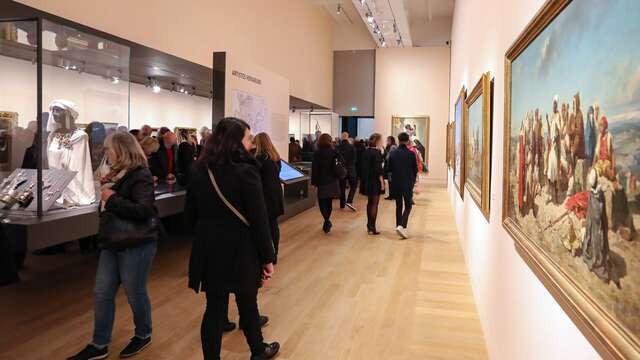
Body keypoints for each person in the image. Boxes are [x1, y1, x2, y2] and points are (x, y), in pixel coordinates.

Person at [185, 117, 279, 360]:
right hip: (241, 250)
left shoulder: (198, 170)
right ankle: (258, 351)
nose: (251, 143)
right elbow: (259, 220)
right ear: (236, 141)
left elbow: (190, 215)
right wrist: (268, 257)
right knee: (247, 303)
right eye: (248, 138)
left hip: (210, 249)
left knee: (214, 309)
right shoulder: (246, 172)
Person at [68, 132, 159, 360]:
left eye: (108, 148)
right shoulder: (117, 174)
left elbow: (143, 210)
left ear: (121, 149)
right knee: (101, 292)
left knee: (134, 291)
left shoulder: (141, 174)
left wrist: (111, 197)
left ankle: (143, 333)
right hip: (112, 241)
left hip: (135, 242)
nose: (105, 152)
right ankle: (99, 344)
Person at [253, 133, 285, 264]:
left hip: (263, 196)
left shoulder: (258, 159)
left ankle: (266, 254)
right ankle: (275, 252)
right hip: (275, 195)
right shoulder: (275, 158)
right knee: (273, 224)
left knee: (264, 225)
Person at [387, 132, 418, 239]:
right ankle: (401, 226)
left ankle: (398, 225)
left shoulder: (393, 153)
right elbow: (415, 170)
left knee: (399, 205)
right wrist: (412, 182)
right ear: (407, 140)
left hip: (396, 183)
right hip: (407, 183)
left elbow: (389, 168)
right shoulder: (411, 154)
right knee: (408, 205)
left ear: (398, 140)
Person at [311, 133, 341, 233]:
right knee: (329, 202)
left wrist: (313, 182)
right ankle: (327, 221)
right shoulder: (334, 152)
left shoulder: (317, 153)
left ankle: (326, 220)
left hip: (321, 181)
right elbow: (342, 161)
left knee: (322, 201)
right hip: (332, 180)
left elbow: (314, 169)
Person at [360, 133, 385, 235]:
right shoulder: (377, 153)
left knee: (369, 203)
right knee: (374, 204)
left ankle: (369, 226)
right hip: (374, 181)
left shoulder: (365, 152)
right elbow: (378, 170)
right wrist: (382, 182)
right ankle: (372, 227)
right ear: (378, 141)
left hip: (366, 180)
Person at [336, 132, 357, 211]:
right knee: (353, 186)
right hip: (351, 170)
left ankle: (342, 204)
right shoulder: (352, 147)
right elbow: (354, 160)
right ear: (348, 137)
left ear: (341, 137)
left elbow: (336, 160)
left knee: (342, 187)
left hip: (341, 170)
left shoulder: (338, 147)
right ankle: (349, 200)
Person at [384, 136, 398, 200]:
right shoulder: (390, 147)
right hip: (390, 166)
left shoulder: (393, 147)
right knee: (390, 182)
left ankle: (392, 195)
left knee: (391, 181)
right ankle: (392, 195)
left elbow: (388, 157)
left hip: (391, 167)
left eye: (388, 140)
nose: (387, 141)